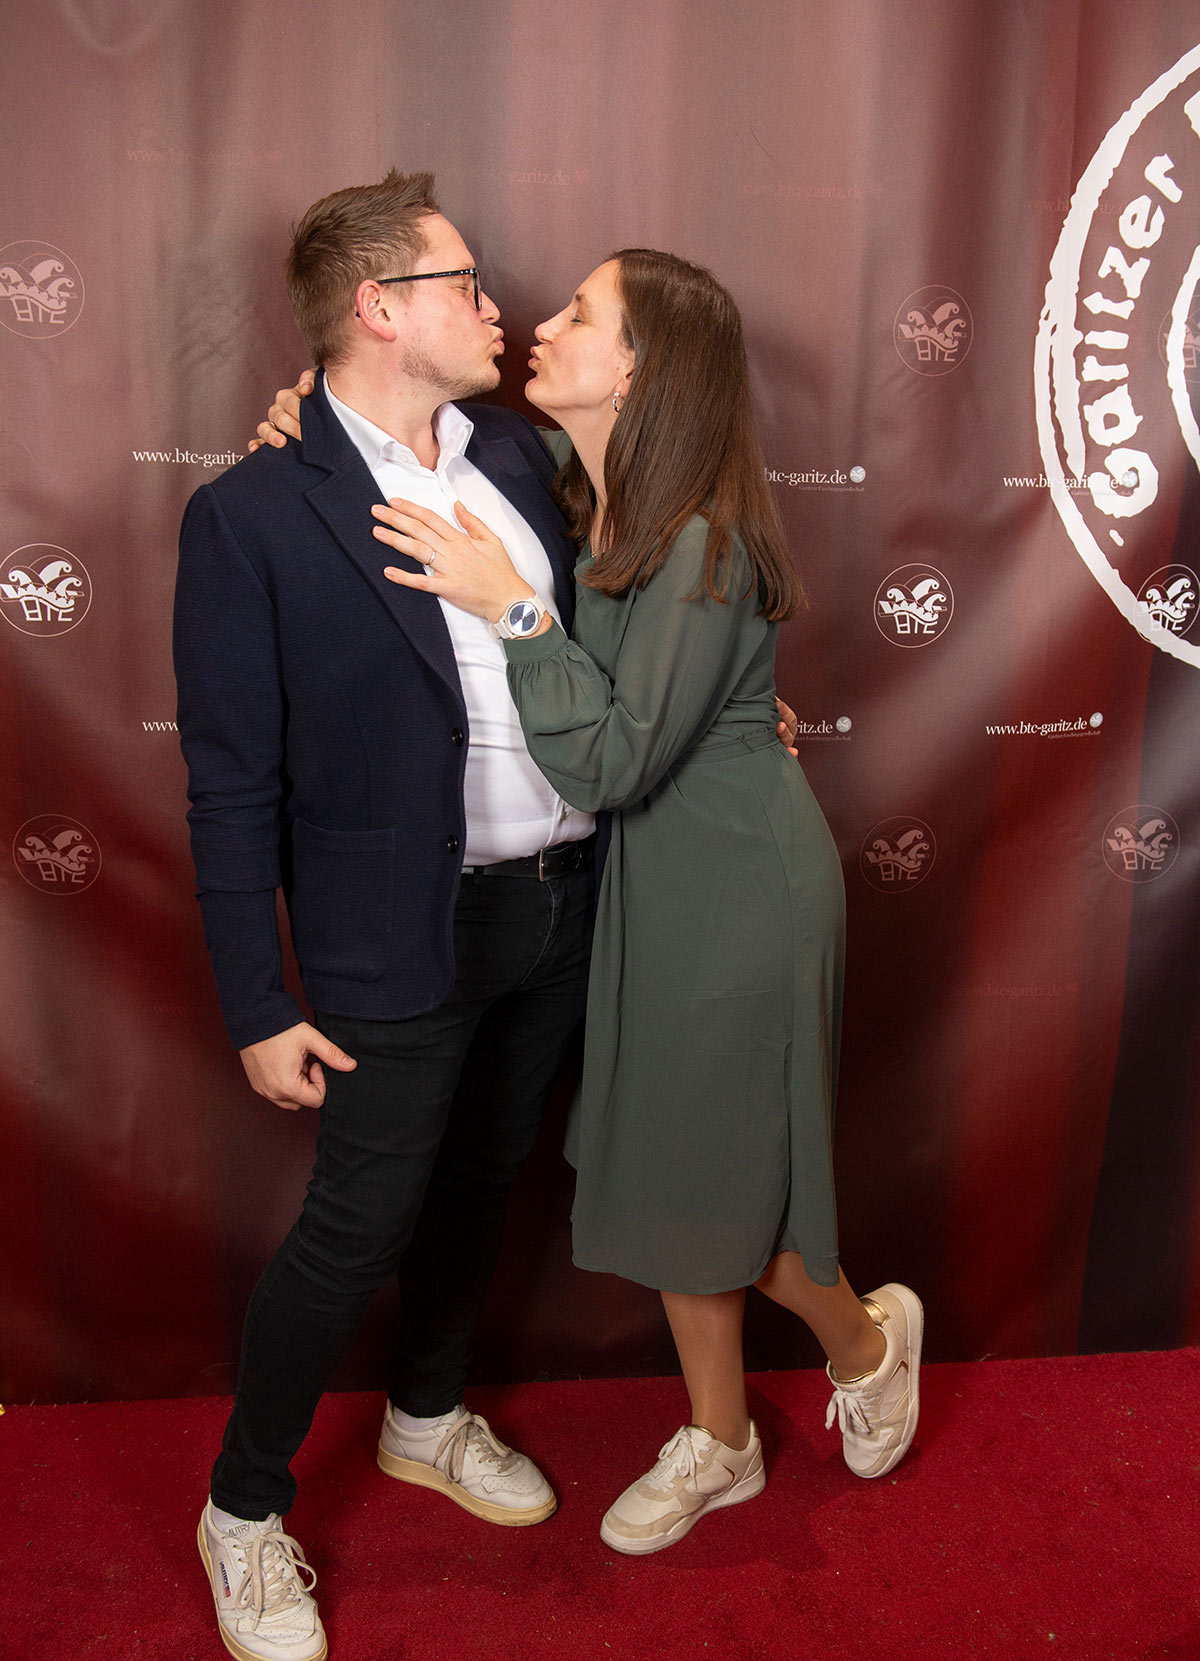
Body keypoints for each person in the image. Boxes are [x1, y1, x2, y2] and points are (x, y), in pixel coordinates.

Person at [362, 248, 924, 1555]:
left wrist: (514, 613)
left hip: (739, 892)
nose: (542, 325)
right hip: (655, 885)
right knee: (679, 1170)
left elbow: (613, 758)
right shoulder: (586, 500)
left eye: (579, 315)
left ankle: (868, 1343)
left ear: (640, 371)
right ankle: (723, 1441)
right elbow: (384, 420)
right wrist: (301, 408)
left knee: (732, 1187)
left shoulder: (703, 546)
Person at [174, 169, 600, 1661]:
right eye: (464, 282)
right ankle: (242, 1509)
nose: (497, 304)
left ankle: (426, 1416)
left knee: (486, 1184)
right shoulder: (252, 514)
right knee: (358, 1224)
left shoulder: (524, 458)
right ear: (377, 308)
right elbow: (231, 786)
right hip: (392, 932)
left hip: (561, 908)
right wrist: (256, 1000)